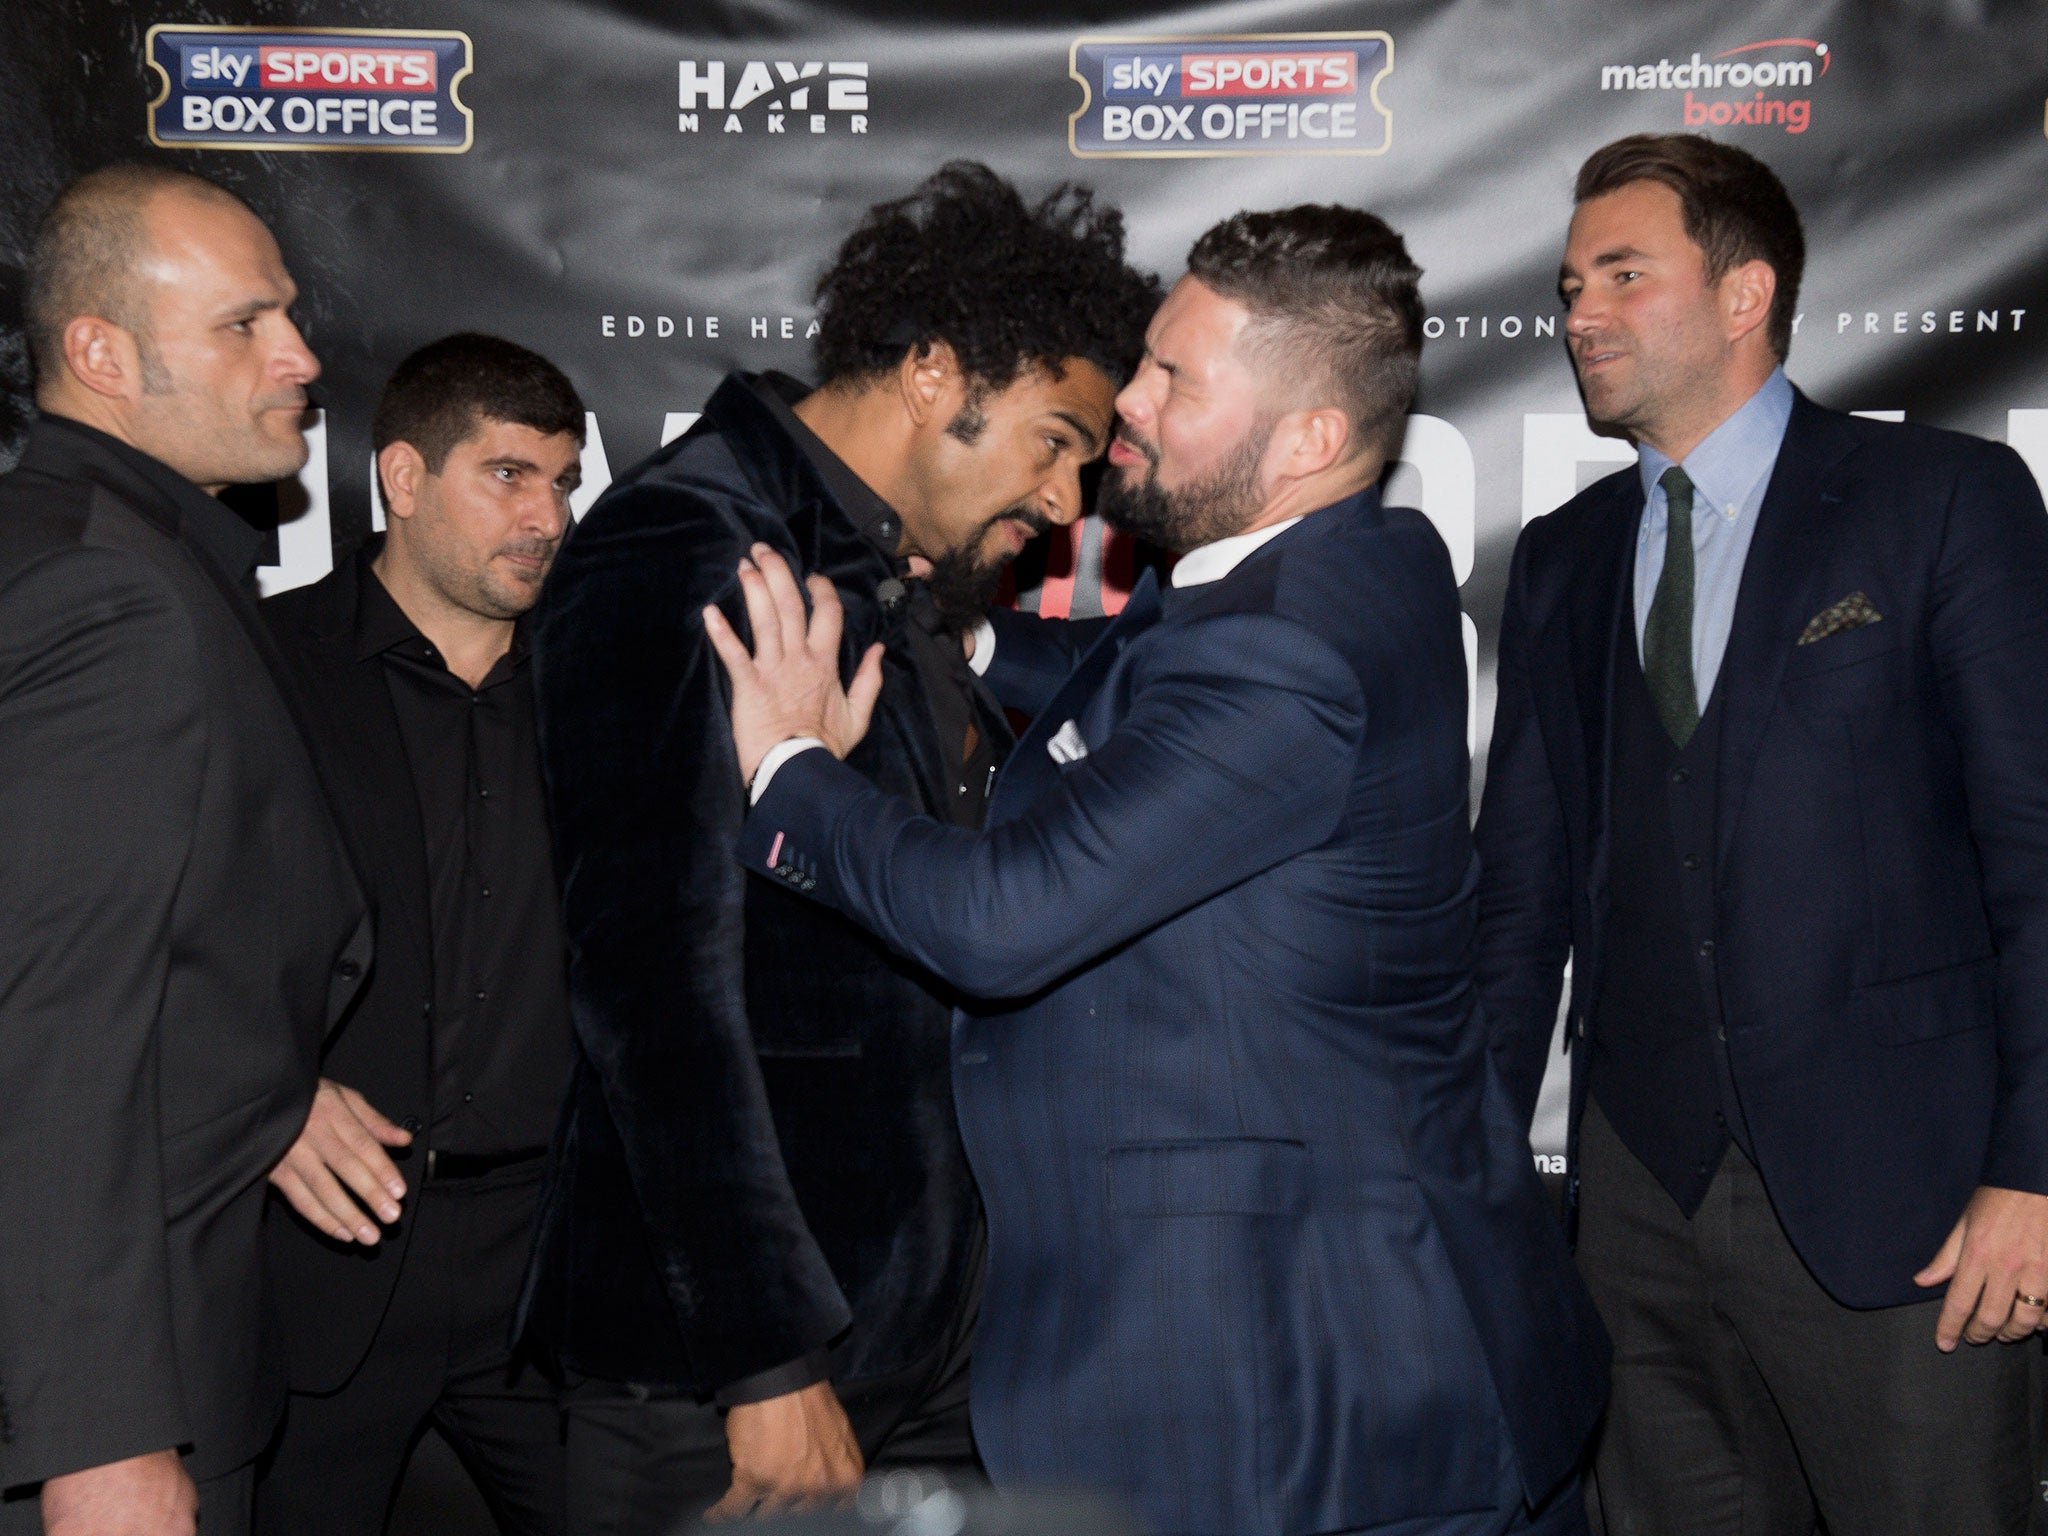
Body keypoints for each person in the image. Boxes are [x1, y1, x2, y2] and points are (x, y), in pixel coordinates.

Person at [706, 205, 1611, 1536]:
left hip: (1314, 1401)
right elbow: (1134, 679)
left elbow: (1001, 923)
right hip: (1324, 1355)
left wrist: (792, 770)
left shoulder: (1289, 655)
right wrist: (950, 650)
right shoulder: (1360, 559)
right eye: (1149, 359)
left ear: (1306, 439)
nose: (1126, 398)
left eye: (1178, 382)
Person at [518, 161, 1157, 1530]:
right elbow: (650, 989)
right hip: (726, 1378)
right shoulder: (687, 550)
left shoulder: (873, 570)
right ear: (935, 372)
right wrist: (767, 1361)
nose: (1064, 500)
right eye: (1051, 439)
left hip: (908, 1351)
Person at [1474, 132, 2048, 1535]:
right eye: (1563, 288)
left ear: (1746, 295)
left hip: (1908, 1217)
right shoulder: (1565, 555)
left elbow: (2039, 858)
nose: (1577, 317)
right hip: (1634, 1219)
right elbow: (1518, 907)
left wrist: (2036, 1170)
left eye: (1621, 275)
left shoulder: (1942, 503)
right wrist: (1473, 1187)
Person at [0, 164, 367, 1536]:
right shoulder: (113, 593)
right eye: (245, 323)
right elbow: (52, 1031)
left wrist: (258, 1084)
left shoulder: (94, 550)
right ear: (100, 354)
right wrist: (103, 1441)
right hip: (117, 1395)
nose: (302, 355)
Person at [254, 334, 586, 1535]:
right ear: (399, 475)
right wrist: (266, 1088)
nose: (545, 514)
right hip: (319, 1262)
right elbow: (158, 929)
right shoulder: (263, 666)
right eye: (508, 474)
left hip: (548, 1272)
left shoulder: (602, 690)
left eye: (561, 479)